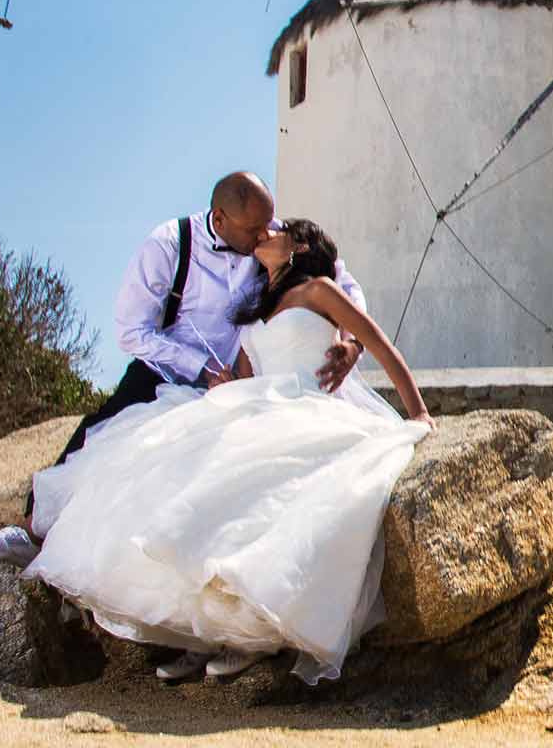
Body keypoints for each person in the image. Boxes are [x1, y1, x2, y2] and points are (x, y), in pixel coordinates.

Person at [21, 218, 434, 684]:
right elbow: (244, 375)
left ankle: (249, 638)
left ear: (298, 246)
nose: (264, 232)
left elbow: (378, 342)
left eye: (277, 230)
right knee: (181, 483)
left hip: (305, 407)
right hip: (258, 405)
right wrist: (223, 382)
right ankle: (197, 635)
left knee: (256, 504)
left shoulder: (320, 290)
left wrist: (417, 411)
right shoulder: (255, 309)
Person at [0, 172, 367, 568]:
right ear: (219, 219)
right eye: (253, 230)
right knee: (98, 437)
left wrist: (351, 341)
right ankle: (29, 532)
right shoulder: (169, 244)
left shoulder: (272, 237)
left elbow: (344, 284)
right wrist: (200, 366)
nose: (264, 235)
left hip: (246, 382)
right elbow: (132, 331)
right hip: (168, 371)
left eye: (268, 224)